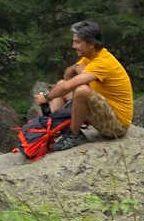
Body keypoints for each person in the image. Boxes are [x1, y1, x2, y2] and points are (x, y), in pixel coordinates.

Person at [35, 19, 132, 152]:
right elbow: (67, 78)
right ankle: (55, 129)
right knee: (61, 84)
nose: (73, 46)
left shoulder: (103, 62)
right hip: (102, 111)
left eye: (77, 42)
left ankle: (73, 135)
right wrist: (75, 67)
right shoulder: (90, 56)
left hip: (116, 125)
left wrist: (46, 97)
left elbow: (70, 85)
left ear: (91, 44)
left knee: (81, 91)